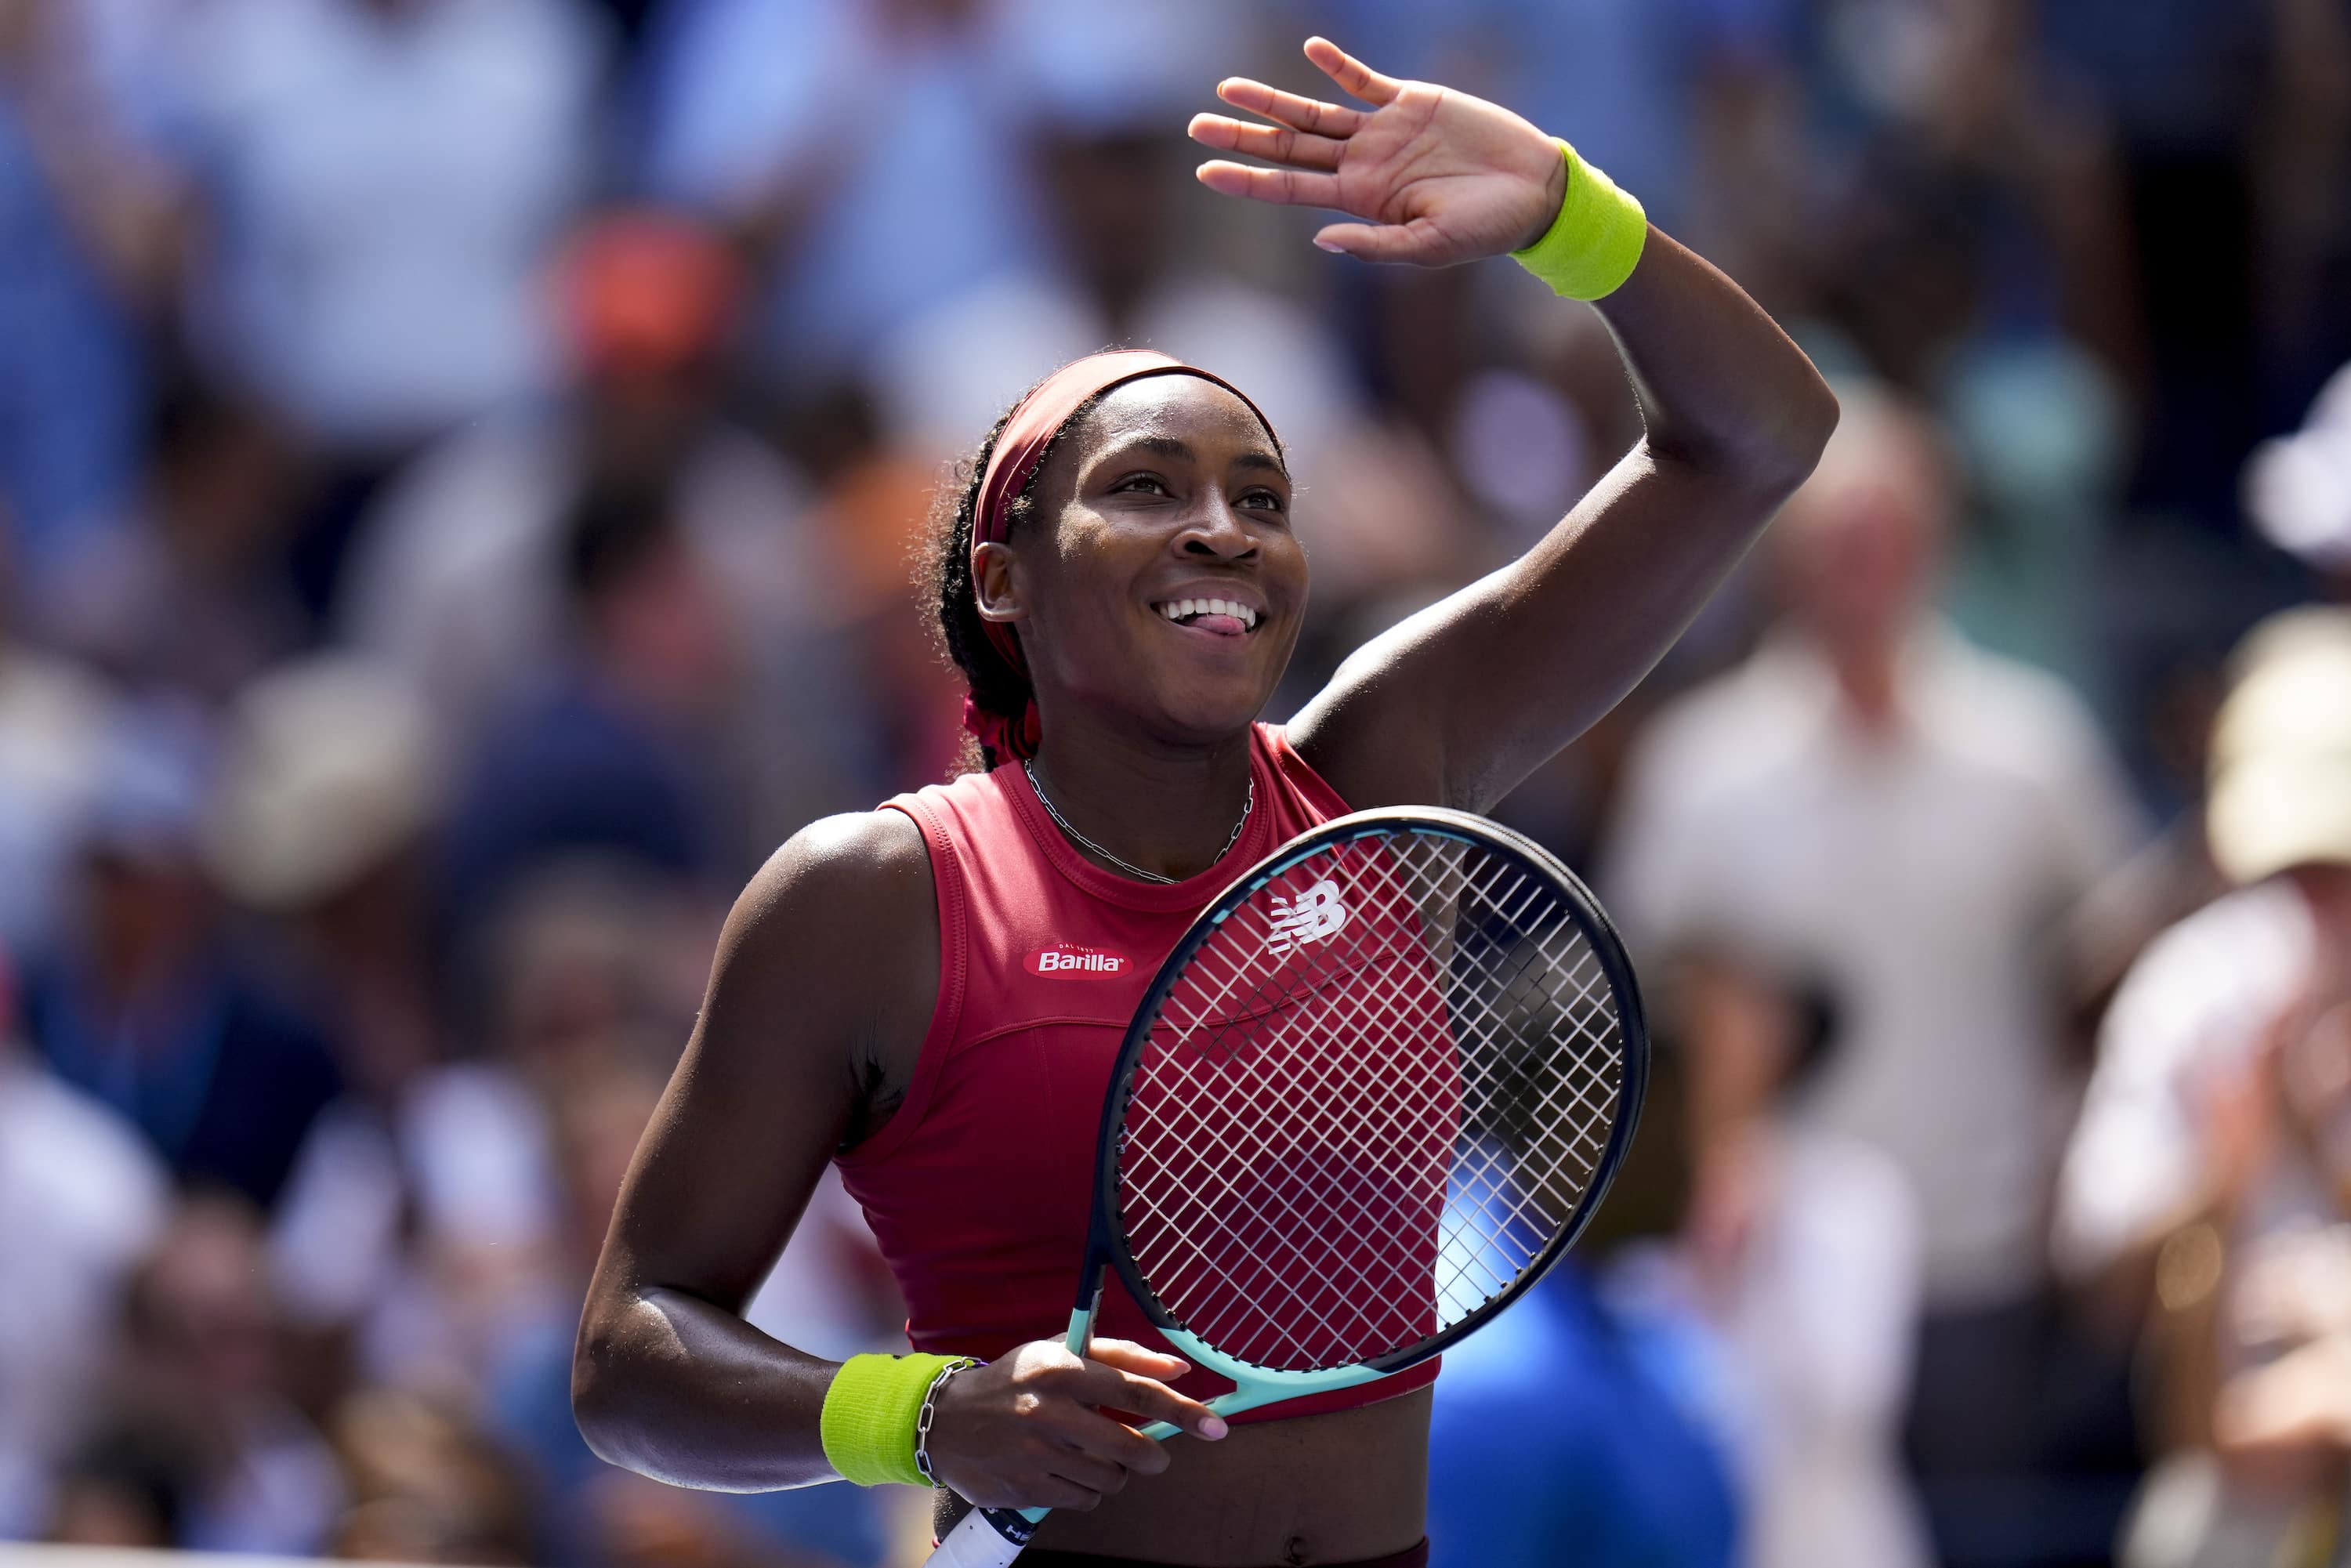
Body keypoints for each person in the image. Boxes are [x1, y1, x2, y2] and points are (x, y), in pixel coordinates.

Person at [574, 37, 1837, 1568]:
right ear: (1001, 571)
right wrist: (922, 1413)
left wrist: (1571, 215)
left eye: (1265, 495)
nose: (1226, 529)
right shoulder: (873, 894)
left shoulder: (1381, 768)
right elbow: (630, 1355)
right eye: (1151, 486)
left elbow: (1763, 433)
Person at [1602, 384, 2143, 1559]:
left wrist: (2076, 1160)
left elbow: (2114, 975)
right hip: (1769, 1279)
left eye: (1887, 534)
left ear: (1934, 544)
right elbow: (1640, 1019)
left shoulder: (2033, 748)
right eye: (1835, 540)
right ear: (1785, 560)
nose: (1862, 565)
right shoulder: (1700, 769)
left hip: (1982, 1255)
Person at [2056, 610, 2351, 1568]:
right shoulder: (2195, 988)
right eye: (2301, 870)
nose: (2321, 902)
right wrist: (2221, 1178)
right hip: (2233, 1507)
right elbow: (2099, 1283)